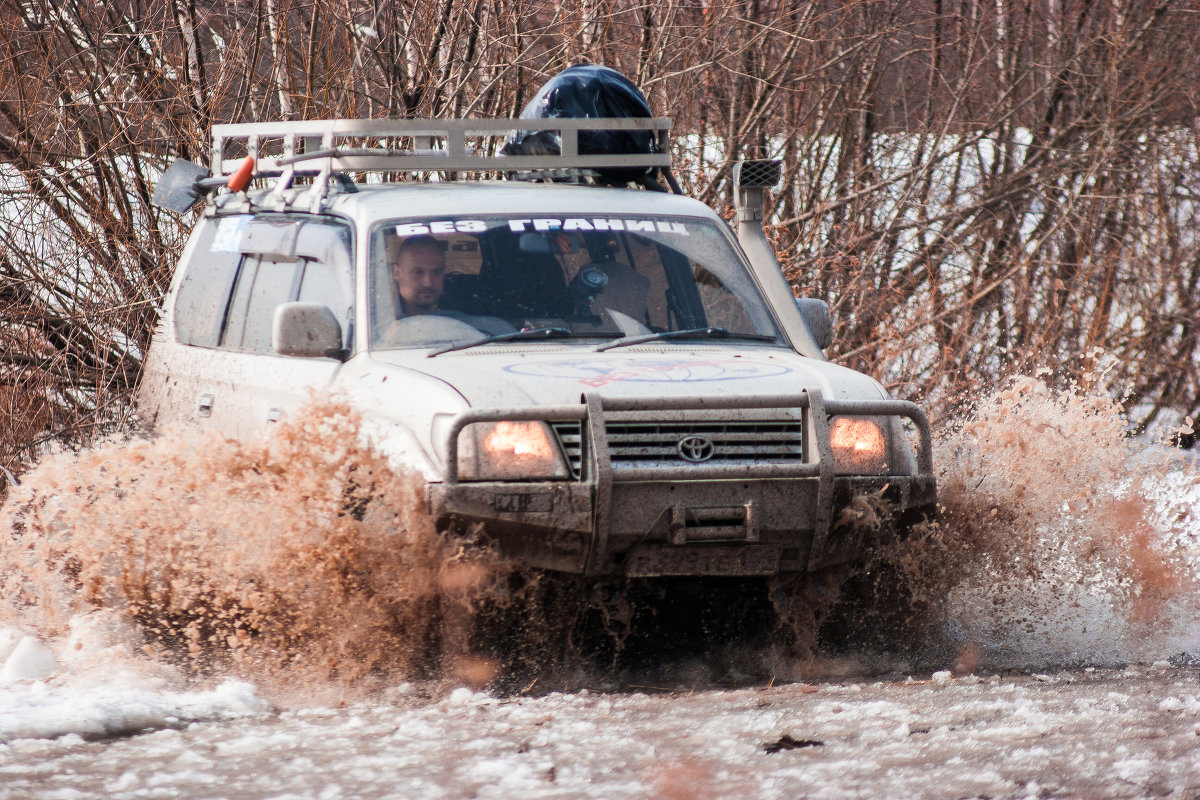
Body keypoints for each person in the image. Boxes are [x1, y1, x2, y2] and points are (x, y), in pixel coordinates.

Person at [389, 235, 446, 316]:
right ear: (397, 273)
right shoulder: (372, 321)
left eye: (436, 272)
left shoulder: (465, 322)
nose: (428, 283)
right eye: (418, 272)